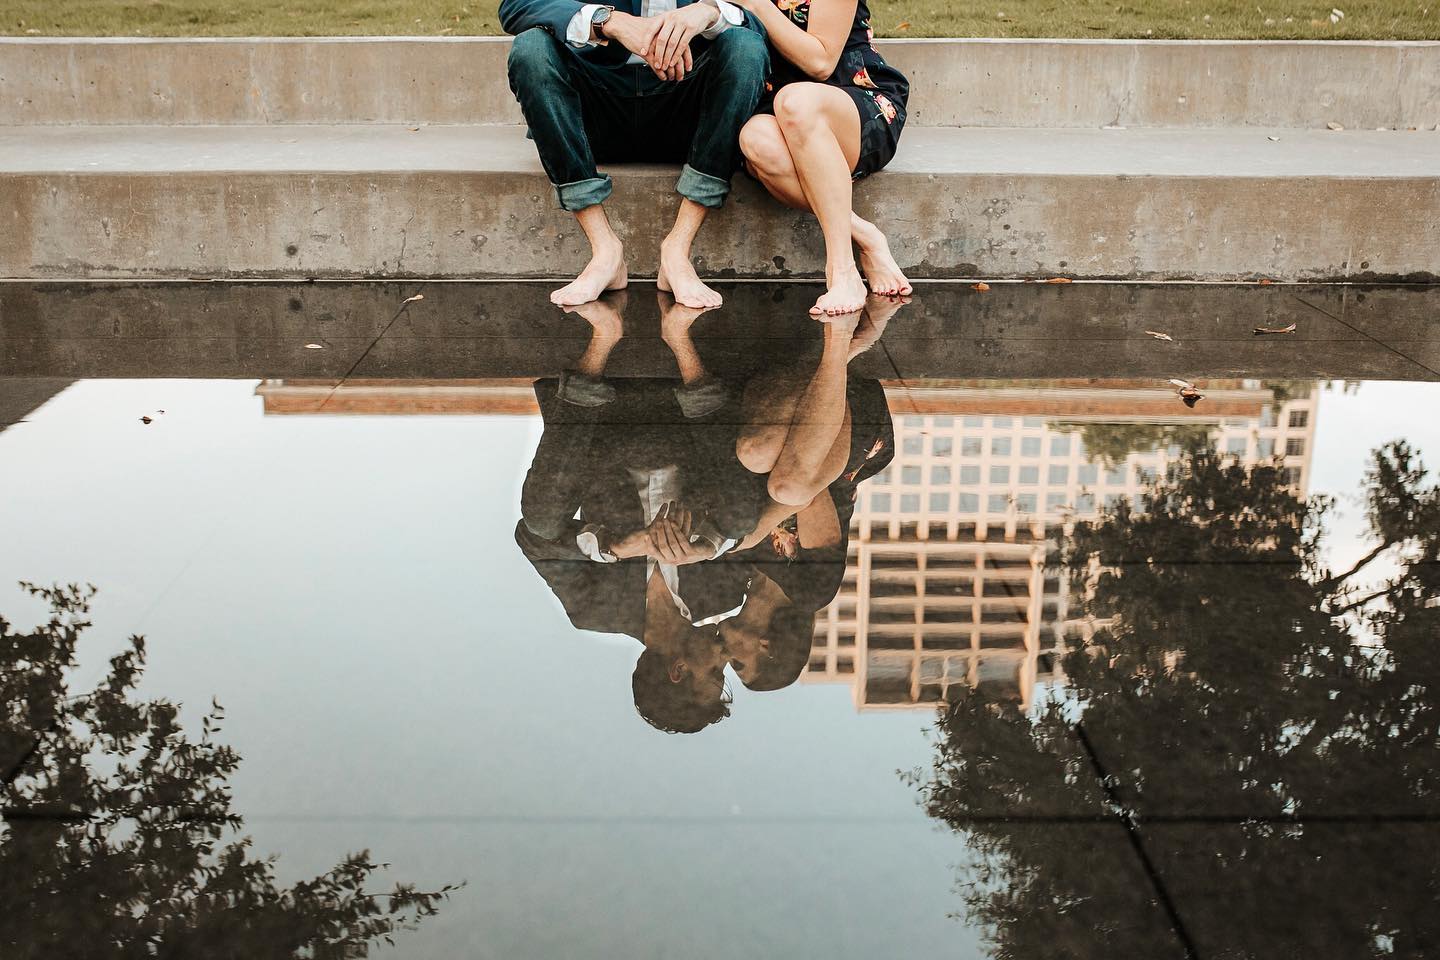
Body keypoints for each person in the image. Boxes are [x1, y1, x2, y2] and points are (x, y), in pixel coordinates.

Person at [499, 0, 769, 309]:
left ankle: (677, 251)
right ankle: (605, 251)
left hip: (689, 109)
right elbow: (516, 6)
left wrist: (711, 13)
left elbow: (761, 23)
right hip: (594, 109)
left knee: (746, 46)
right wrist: (607, 21)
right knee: (530, 48)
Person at [729, 0, 912, 316]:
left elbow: (821, 61)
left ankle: (843, 273)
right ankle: (864, 234)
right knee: (755, 139)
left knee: (796, 102)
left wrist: (754, 2)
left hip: (854, 97)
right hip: (778, 106)